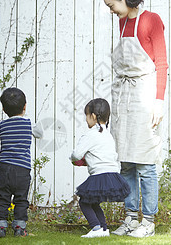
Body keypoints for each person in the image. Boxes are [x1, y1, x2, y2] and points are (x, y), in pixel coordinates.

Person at [102, 0, 168, 238]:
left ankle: (148, 221)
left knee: (145, 162)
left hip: (146, 95)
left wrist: (158, 102)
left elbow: (161, 64)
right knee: (126, 163)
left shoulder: (151, 20)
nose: (111, 10)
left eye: (112, 4)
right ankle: (131, 218)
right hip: (124, 98)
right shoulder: (122, 23)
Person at [70, 98, 130, 238]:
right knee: (93, 202)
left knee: (84, 201)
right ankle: (103, 229)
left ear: (93, 116)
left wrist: (74, 159)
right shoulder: (108, 135)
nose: (86, 119)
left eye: (86, 115)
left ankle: (96, 228)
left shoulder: (90, 134)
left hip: (99, 174)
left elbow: (77, 154)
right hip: (112, 174)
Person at [0, 87, 43, 238]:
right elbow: (40, 133)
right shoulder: (29, 124)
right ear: (25, 106)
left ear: (4, 109)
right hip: (22, 170)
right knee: (20, 199)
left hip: (3, 168)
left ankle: (0, 226)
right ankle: (19, 227)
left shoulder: (2, 125)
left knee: (2, 199)